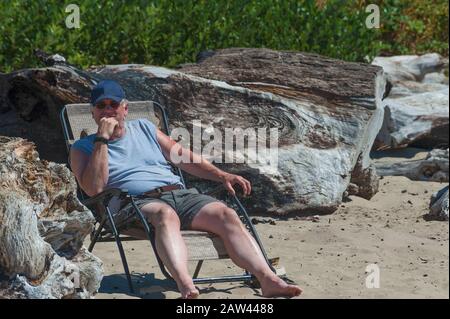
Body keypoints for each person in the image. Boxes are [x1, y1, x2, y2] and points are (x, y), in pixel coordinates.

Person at [70, 80, 302, 299]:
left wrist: (222, 175)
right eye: (101, 106)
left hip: (178, 194)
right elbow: (93, 189)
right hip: (130, 204)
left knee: (226, 214)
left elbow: (182, 157)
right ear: (93, 112)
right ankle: (185, 284)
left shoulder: (144, 128)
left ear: (125, 109)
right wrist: (102, 140)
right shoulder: (82, 147)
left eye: (114, 105)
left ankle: (267, 279)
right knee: (165, 214)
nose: (108, 110)